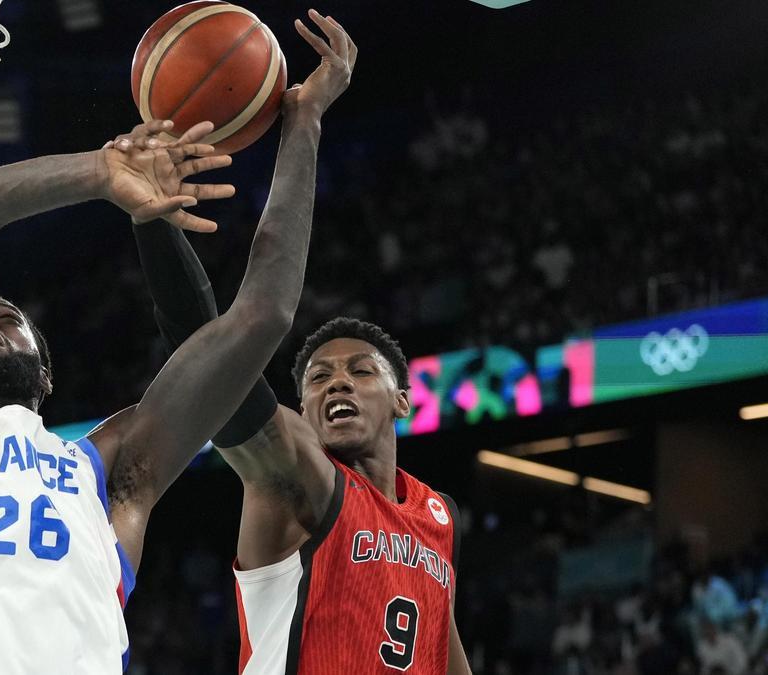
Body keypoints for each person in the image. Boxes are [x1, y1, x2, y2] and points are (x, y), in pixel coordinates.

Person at [0, 9, 355, 673]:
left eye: (2, 314)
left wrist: (304, 123)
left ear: (47, 375)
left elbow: (261, 317)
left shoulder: (112, 473)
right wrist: (95, 172)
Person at [127, 14, 469, 672]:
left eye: (359, 371)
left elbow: (442, 651)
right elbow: (210, 355)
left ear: (403, 398)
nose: (335, 382)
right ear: (304, 409)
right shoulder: (297, 480)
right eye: (315, 378)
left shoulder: (438, 516)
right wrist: (154, 223)